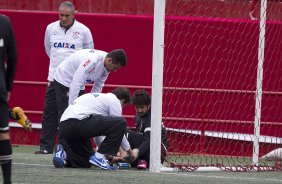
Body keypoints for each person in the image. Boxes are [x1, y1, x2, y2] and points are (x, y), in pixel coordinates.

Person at [36, 1, 94, 154]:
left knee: (72, 115)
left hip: (75, 81)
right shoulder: (50, 28)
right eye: (61, 15)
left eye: (67, 15)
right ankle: (45, 147)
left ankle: (67, 147)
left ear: (74, 14)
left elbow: (89, 54)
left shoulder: (84, 31)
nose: (63, 18)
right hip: (54, 78)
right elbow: (48, 50)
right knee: (49, 114)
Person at [52, 88, 138, 170]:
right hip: (78, 123)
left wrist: (109, 157)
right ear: (122, 100)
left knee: (85, 162)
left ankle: (63, 154)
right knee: (121, 122)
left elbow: (98, 136)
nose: (121, 108)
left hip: (65, 127)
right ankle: (99, 157)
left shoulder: (98, 100)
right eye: (123, 106)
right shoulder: (114, 100)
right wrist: (130, 152)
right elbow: (119, 128)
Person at [126, 89, 169, 169]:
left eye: (142, 107)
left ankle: (141, 159)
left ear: (148, 105)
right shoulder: (138, 116)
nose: (139, 110)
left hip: (158, 150)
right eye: (137, 107)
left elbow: (150, 140)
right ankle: (140, 160)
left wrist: (137, 151)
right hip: (147, 148)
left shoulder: (151, 118)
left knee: (125, 132)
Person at [0, 13, 17, 184]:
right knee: (3, 134)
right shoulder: (4, 22)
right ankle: (7, 182)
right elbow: (13, 57)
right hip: (0, 87)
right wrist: (8, 86)